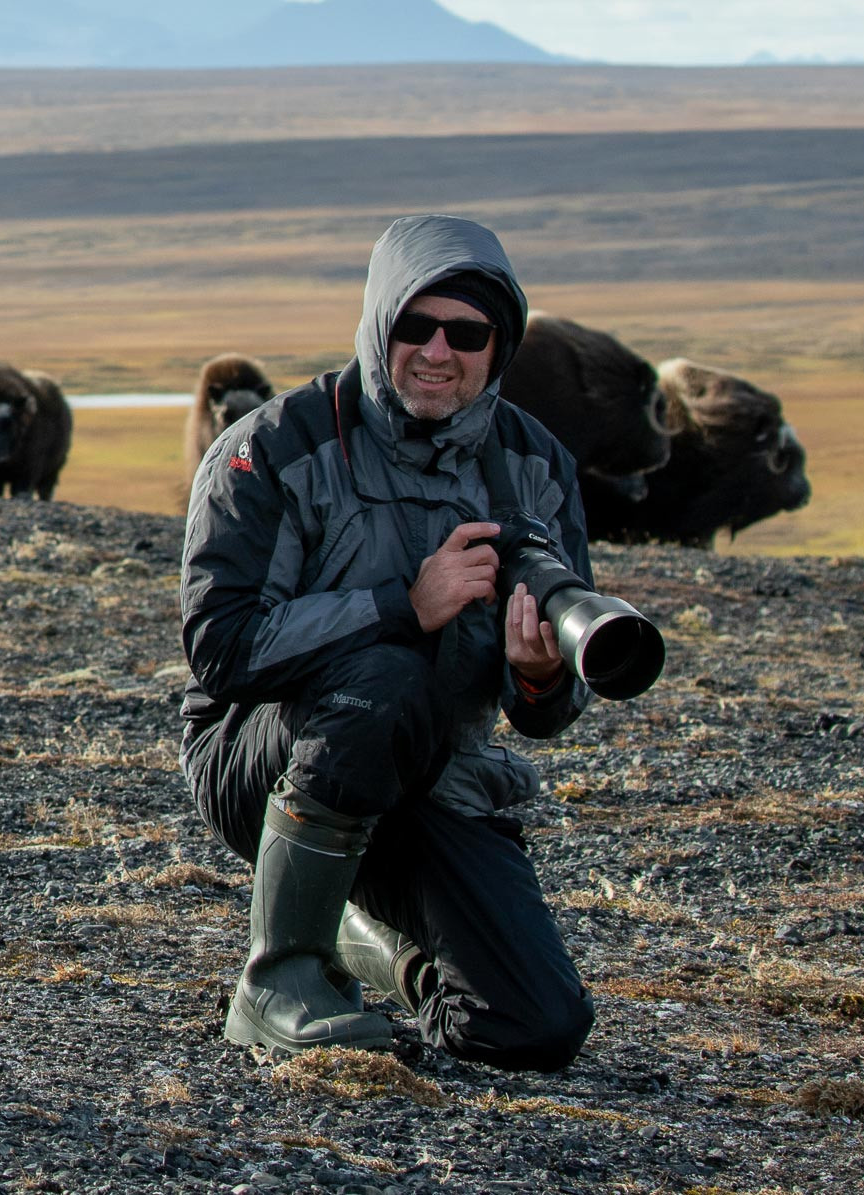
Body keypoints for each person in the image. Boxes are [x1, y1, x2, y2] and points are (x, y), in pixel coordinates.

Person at [178, 214, 596, 1070]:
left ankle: (359, 932)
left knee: (534, 1024)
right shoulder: (275, 447)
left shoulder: (534, 464)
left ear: (499, 344)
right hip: (264, 760)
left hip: (435, 772)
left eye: (467, 332)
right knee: (385, 674)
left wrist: (541, 678)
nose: (438, 351)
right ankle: (279, 982)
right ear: (379, 324)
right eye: (416, 325)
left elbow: (548, 716)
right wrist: (403, 604)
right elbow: (221, 647)